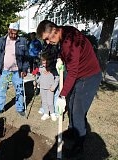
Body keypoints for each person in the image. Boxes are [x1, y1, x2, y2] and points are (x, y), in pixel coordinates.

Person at [36, 20, 102, 157]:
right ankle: (72, 131)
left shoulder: (69, 43)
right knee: (71, 106)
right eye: (45, 40)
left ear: (54, 30)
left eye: (48, 38)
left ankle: (79, 146)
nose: (47, 42)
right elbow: (68, 56)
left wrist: (62, 95)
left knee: (77, 111)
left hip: (89, 76)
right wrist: (61, 57)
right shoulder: (66, 31)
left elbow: (72, 73)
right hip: (80, 75)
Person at [0, 22, 29, 117]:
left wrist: (24, 69)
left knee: (19, 90)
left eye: (16, 33)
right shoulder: (1, 40)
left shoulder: (22, 41)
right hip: (4, 71)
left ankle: (20, 108)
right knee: (1, 90)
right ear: (8, 31)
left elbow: (26, 57)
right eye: (12, 33)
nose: (14, 35)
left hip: (17, 71)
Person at [36, 50, 59, 121]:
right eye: (43, 63)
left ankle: (52, 113)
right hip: (42, 88)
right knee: (44, 101)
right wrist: (37, 82)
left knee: (50, 102)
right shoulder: (41, 68)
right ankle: (46, 113)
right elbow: (39, 77)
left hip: (50, 89)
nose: (44, 65)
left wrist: (53, 87)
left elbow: (57, 78)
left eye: (45, 63)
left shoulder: (53, 69)